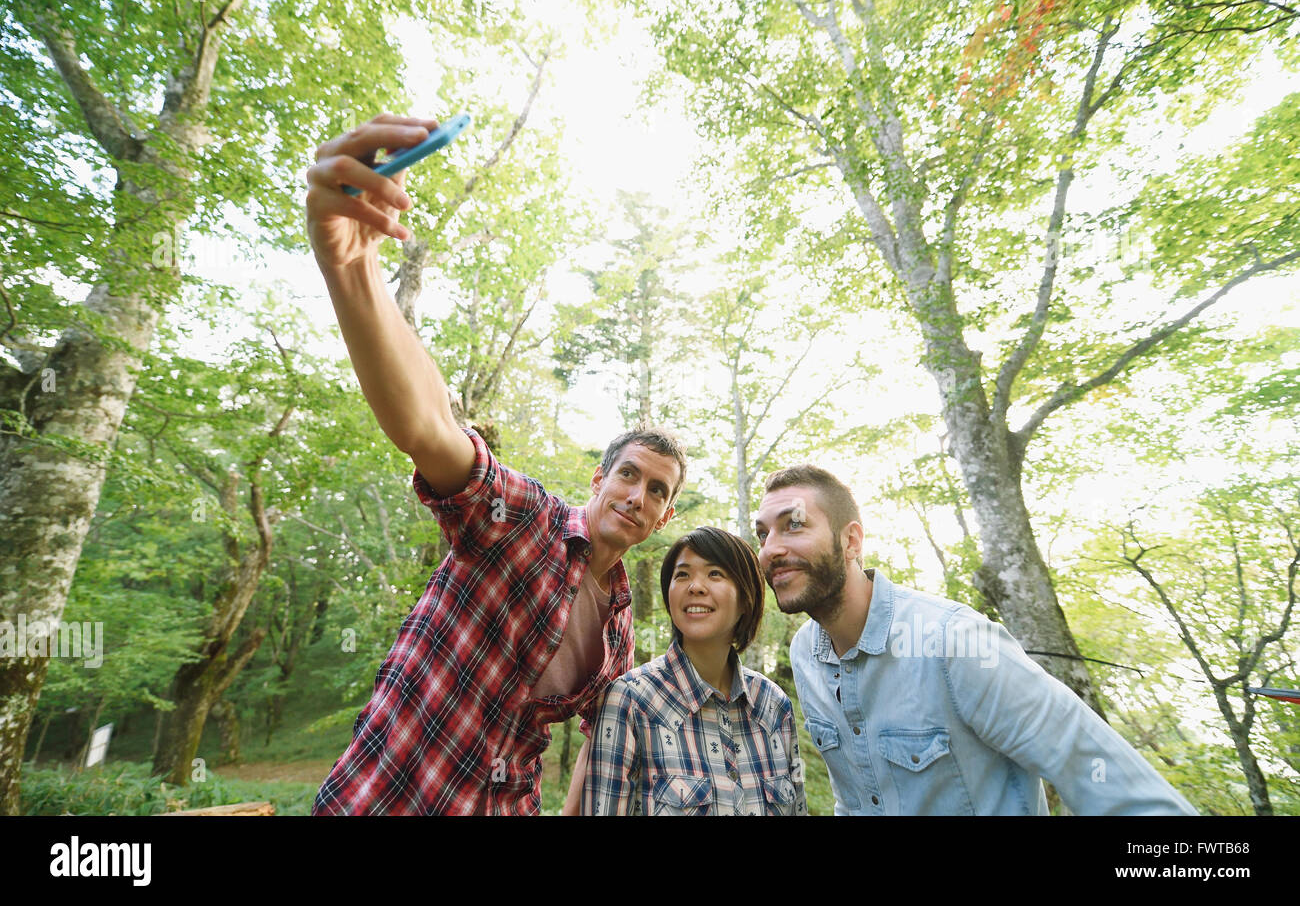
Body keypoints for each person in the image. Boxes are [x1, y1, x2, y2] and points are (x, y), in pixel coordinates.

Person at [305, 114, 686, 814]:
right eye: (628, 474)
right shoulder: (524, 520)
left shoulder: (621, 622)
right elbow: (430, 427)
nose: (638, 494)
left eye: (657, 490)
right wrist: (350, 265)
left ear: (663, 516)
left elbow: (611, 736)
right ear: (600, 481)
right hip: (388, 797)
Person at [753, 465, 1198, 816]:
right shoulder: (805, 655)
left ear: (851, 541)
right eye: (763, 534)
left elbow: (1099, 773)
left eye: (793, 526)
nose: (770, 548)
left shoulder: (954, 641)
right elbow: (854, 799)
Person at [582, 527, 808, 815]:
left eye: (715, 574)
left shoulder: (774, 705)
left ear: (745, 599)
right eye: (682, 575)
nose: (695, 587)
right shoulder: (630, 701)